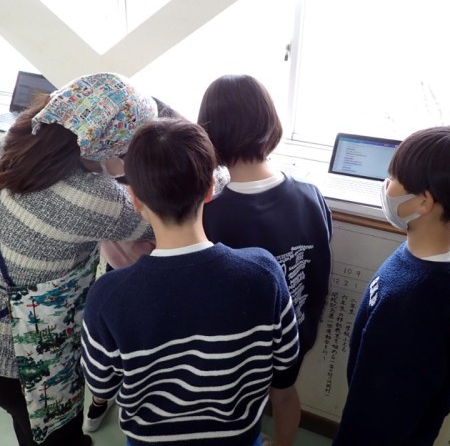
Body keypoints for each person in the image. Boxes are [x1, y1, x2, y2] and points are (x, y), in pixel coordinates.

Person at [0, 72, 158, 446]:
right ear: (109, 148)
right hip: (21, 367)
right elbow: (164, 215)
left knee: (31, 431)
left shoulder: (13, 144)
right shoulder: (93, 199)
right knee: (58, 438)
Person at [81, 118, 300, 446]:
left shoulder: (108, 296)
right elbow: (285, 378)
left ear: (135, 200)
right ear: (211, 188)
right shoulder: (263, 275)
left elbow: (102, 385)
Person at [332, 126, 450, 445]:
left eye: (394, 177)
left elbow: (379, 419)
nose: (386, 185)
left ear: (424, 201)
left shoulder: (411, 305)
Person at [197, 74, 333, 444]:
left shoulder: (210, 213)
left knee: (236, 406)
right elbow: (320, 265)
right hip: (296, 329)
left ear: (210, 132)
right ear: (269, 123)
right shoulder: (310, 194)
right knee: (285, 394)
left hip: (236, 345)